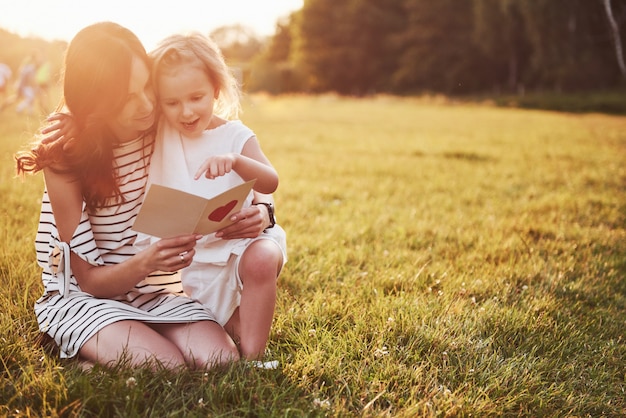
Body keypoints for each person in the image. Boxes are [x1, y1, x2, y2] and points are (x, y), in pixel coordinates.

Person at [14, 22, 252, 370]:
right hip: (89, 297)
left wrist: (263, 211)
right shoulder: (65, 154)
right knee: (164, 366)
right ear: (95, 102)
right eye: (125, 98)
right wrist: (149, 261)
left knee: (221, 361)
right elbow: (90, 281)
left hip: (157, 294)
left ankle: (116, 344)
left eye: (146, 87)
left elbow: (235, 140)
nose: (144, 105)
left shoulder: (165, 115)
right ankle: (76, 341)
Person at [142, 33, 287, 360]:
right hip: (191, 260)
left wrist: (237, 161)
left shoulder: (235, 135)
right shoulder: (159, 134)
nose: (187, 112)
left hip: (238, 245)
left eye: (196, 97)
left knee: (262, 258)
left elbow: (271, 181)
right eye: (172, 102)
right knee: (220, 335)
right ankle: (234, 328)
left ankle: (253, 358)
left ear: (216, 90)